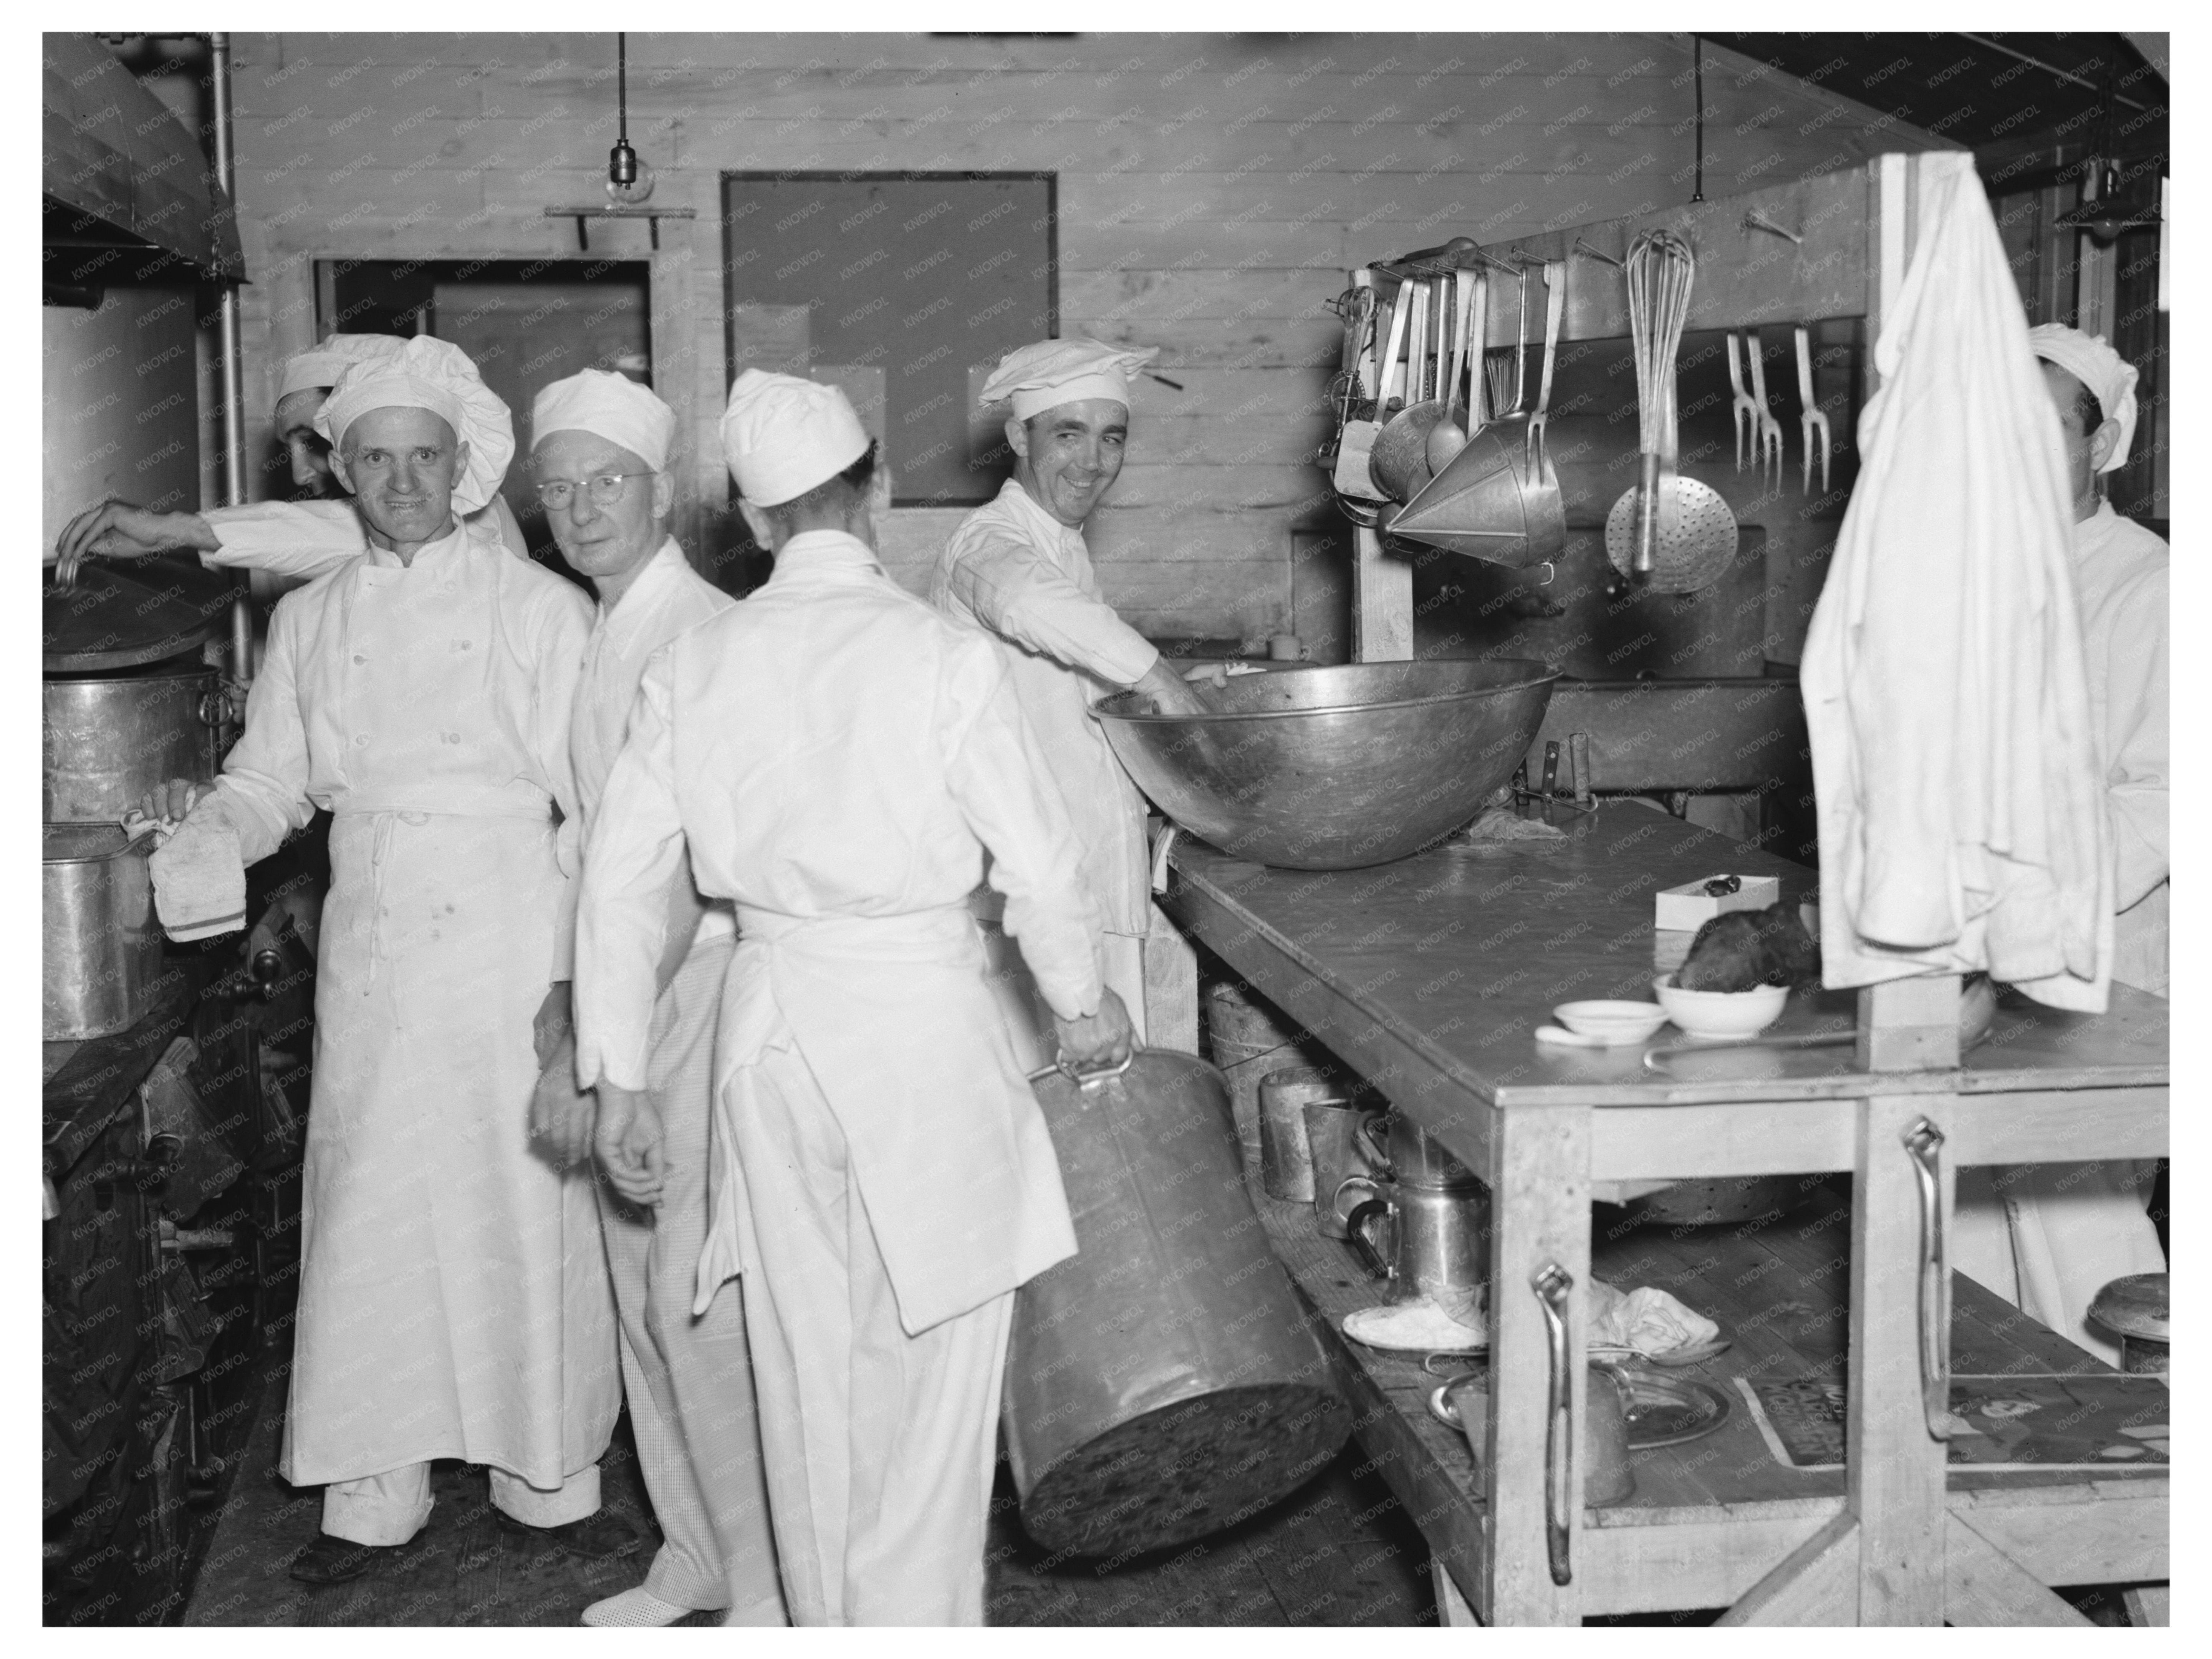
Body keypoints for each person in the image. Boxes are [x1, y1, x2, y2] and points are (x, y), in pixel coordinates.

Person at [573, 370, 1131, 1624]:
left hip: (764, 1036)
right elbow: (1039, 862)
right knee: (930, 1372)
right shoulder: (939, 654)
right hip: (921, 1031)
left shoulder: (699, 661)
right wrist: (1081, 999)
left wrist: (620, 1073)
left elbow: (617, 882)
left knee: (804, 1364)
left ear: (757, 523)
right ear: (875, 488)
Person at [139, 336, 626, 1582]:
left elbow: (601, 810)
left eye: (425, 458)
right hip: (376, 946)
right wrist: (212, 836)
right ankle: (372, 1488)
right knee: (373, 1211)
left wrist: (582, 986)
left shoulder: (541, 610)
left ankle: (546, 1467)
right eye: (377, 460)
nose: (404, 481)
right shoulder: (311, 618)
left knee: (521, 1201)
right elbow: (269, 777)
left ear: (461, 466)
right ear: (341, 471)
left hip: (514, 933)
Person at [520, 369, 785, 1628]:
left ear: (661, 489)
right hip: (642, 986)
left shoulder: (686, 627)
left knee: (693, 1285)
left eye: (607, 482)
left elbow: (672, 867)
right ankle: (696, 1549)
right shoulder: (610, 618)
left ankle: (751, 1570)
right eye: (559, 488)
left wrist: (609, 1034)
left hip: (698, 986)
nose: (582, 508)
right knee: (645, 1279)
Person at [1952, 323, 2168, 1366]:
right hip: (1975, 962)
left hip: (2103, 971)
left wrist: (2034, 915)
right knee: (1962, 1220)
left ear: (2105, 441)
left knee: (2076, 1222)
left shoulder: (2155, 587)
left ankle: (2131, 1464)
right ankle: (2003, 1445)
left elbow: (2168, 799)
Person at [929, 338, 1214, 1062]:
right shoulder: (986, 545)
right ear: (1020, 436)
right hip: (1027, 908)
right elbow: (1025, 598)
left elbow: (1072, 693)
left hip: (1087, 880)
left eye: (1110, 437)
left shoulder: (1064, 544)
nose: (1091, 460)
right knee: (1049, 1119)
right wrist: (1161, 679)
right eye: (1068, 434)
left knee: (1110, 1115)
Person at [52, 331, 530, 590]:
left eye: (313, 442)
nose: (301, 473)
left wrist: (177, 528)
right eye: (290, 449)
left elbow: (325, 532)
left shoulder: (469, 514)